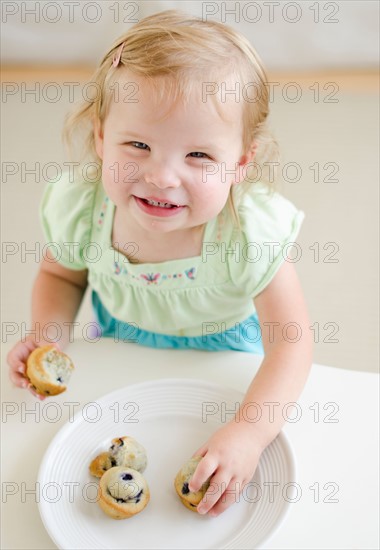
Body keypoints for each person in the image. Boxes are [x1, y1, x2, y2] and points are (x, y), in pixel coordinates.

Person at [7, 10, 312, 516]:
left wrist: (249, 433)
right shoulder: (84, 211)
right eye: (138, 145)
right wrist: (49, 336)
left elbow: (292, 345)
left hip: (225, 361)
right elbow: (60, 275)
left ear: (240, 163)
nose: (162, 176)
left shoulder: (250, 235)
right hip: (122, 343)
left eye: (198, 155)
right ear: (102, 138)